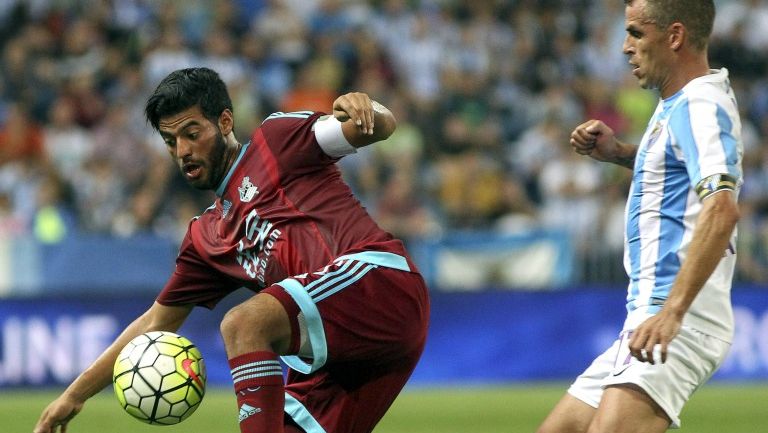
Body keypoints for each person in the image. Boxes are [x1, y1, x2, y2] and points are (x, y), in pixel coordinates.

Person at [33, 67, 430, 433]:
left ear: (224, 121)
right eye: (171, 141)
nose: (183, 151)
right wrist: (74, 395)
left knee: (243, 323)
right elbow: (153, 324)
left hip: (382, 285)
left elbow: (380, 127)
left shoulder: (277, 141)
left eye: (192, 133)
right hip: (342, 358)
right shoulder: (205, 239)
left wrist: (365, 106)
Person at [537, 1, 742, 432]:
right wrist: (620, 153)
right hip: (647, 313)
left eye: (635, 33)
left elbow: (721, 208)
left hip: (680, 314)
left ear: (675, 37)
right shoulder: (679, 104)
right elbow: (677, 167)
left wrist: (673, 311)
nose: (625, 47)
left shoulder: (700, 105)